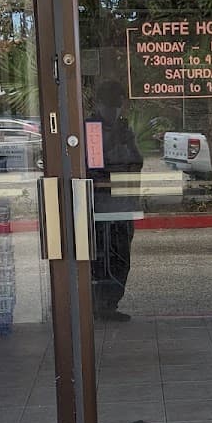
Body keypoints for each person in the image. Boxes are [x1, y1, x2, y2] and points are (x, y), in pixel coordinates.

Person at [87, 80, 143, 321]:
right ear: (99, 104)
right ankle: (96, 305)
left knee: (121, 256)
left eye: (118, 105)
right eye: (111, 105)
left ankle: (109, 305)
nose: (115, 111)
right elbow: (96, 167)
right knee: (101, 257)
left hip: (123, 202)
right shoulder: (92, 130)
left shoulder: (123, 129)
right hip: (101, 204)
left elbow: (136, 161)